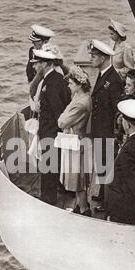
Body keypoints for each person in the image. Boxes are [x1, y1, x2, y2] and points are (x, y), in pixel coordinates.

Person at [30, 48, 70, 205]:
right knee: (48, 167)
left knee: (49, 168)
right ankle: (47, 197)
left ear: (45, 64)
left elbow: (58, 111)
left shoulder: (52, 82)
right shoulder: (53, 79)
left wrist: (54, 134)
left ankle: (48, 199)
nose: (35, 67)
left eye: (37, 63)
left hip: (51, 134)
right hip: (49, 132)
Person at [89, 39, 124, 212]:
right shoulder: (104, 76)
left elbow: (117, 110)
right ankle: (103, 194)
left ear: (103, 58)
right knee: (102, 164)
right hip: (100, 130)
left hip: (107, 132)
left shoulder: (113, 80)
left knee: (107, 165)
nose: (91, 59)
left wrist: (114, 135)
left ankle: (108, 202)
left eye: (94, 56)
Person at [58, 65, 92, 216]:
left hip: (77, 143)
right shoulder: (81, 97)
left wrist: (64, 115)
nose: (68, 86)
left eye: (71, 83)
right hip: (77, 141)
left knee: (79, 180)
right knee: (78, 178)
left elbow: (62, 122)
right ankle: (80, 206)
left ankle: (84, 210)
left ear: (79, 85)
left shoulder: (80, 103)